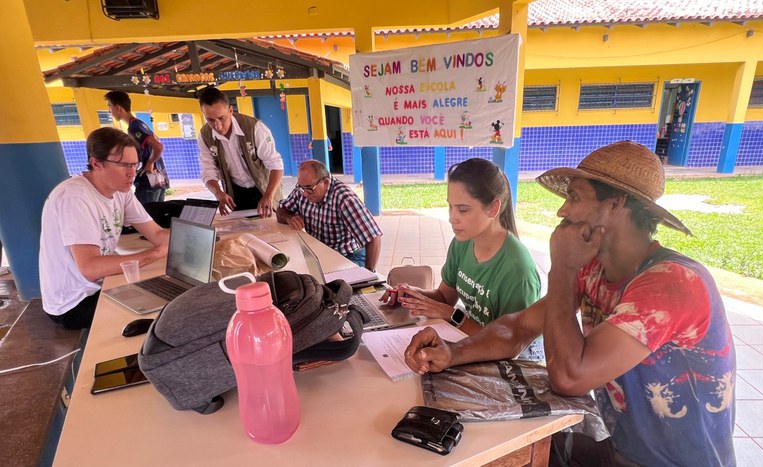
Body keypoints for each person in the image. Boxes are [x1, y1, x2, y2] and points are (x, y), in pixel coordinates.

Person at [404, 141, 735, 466]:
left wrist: (562, 269)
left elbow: (569, 377)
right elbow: (517, 327)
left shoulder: (671, 283)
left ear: (615, 205)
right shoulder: (593, 269)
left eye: (574, 198)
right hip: (618, 447)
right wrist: (453, 353)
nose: (562, 210)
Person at [380, 158, 542, 353]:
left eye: (463, 210)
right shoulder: (462, 242)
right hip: (474, 344)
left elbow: (508, 345)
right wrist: (413, 295)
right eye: (450, 207)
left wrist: (453, 316)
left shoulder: (517, 271)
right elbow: (444, 297)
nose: (452, 218)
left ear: (493, 208)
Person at [39, 128, 169, 329]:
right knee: (162, 315)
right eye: (124, 165)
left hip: (101, 285)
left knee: (167, 293)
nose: (132, 173)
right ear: (96, 163)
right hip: (74, 302)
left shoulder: (120, 190)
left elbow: (157, 234)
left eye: (135, 164)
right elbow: (90, 268)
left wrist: (190, 240)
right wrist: (157, 253)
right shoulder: (75, 197)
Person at [276, 160, 382, 271]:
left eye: (308, 189)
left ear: (325, 183)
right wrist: (289, 218)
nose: (304, 194)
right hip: (319, 252)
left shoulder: (344, 199)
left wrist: (370, 274)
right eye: (301, 187)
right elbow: (281, 210)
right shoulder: (303, 190)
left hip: (348, 256)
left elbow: (373, 237)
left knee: (335, 286)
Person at [197, 86, 284, 217]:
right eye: (210, 120)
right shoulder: (205, 136)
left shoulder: (255, 128)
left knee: (272, 230)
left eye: (222, 118)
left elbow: (276, 165)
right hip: (235, 192)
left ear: (231, 110)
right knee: (240, 234)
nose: (217, 126)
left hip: (264, 189)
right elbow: (208, 171)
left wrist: (269, 195)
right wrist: (218, 193)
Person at [104, 90, 169, 204]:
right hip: (156, 180)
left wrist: (149, 163)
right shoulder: (139, 123)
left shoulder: (135, 127)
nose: (110, 111)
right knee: (157, 215)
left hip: (148, 181)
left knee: (145, 215)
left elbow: (158, 146)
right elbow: (156, 139)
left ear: (118, 108)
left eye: (110, 106)